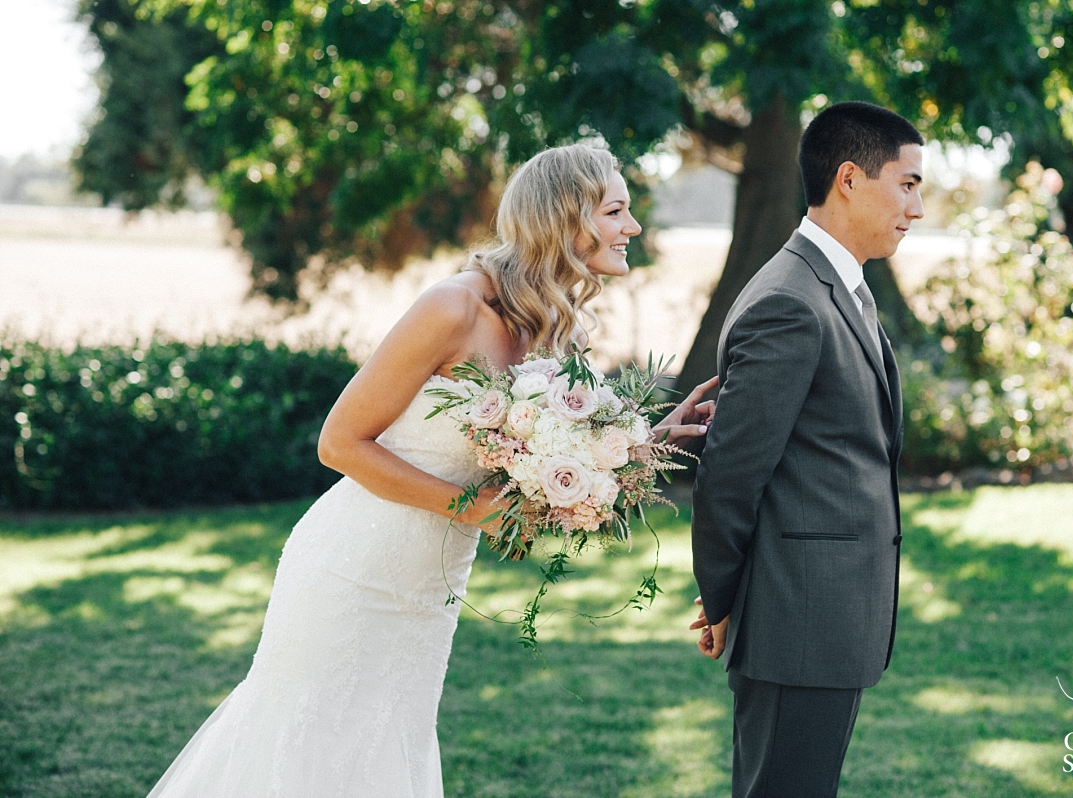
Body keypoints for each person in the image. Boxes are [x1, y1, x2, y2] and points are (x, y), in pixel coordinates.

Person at [146, 143, 715, 797]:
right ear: (566, 219)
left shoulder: (556, 333)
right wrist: (465, 507)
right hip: (352, 567)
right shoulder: (453, 307)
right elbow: (340, 443)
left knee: (389, 747)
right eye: (617, 210)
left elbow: (551, 463)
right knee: (307, 749)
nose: (633, 227)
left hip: (431, 585)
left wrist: (645, 442)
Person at [689, 101, 924, 798]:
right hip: (797, 621)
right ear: (849, 179)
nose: (916, 206)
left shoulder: (841, 287)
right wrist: (723, 596)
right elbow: (730, 473)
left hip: (827, 619)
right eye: (906, 184)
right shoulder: (789, 300)